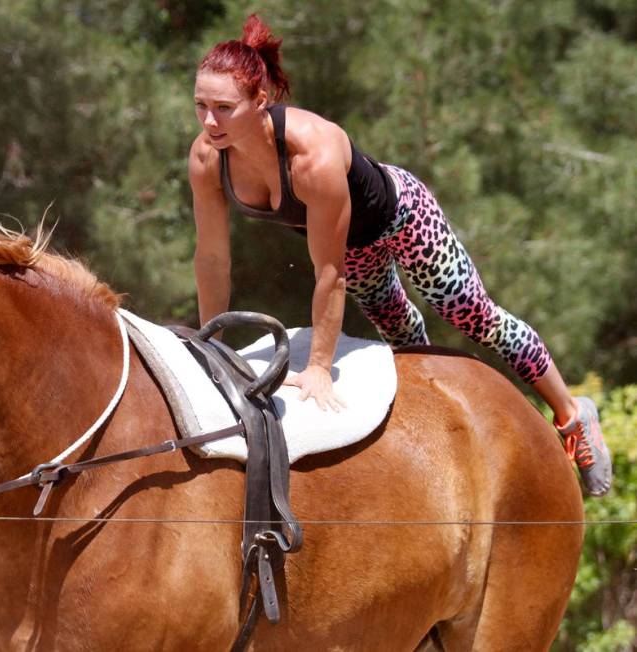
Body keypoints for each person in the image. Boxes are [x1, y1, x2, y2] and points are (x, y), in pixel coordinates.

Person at [188, 14, 612, 496]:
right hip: (354, 247)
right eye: (200, 104)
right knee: (407, 344)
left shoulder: (312, 155)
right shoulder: (207, 157)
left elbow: (329, 273)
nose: (208, 121)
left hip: (403, 217)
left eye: (223, 107)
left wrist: (320, 369)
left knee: (471, 316)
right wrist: (211, 343)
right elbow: (212, 259)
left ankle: (572, 414)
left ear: (259, 101)